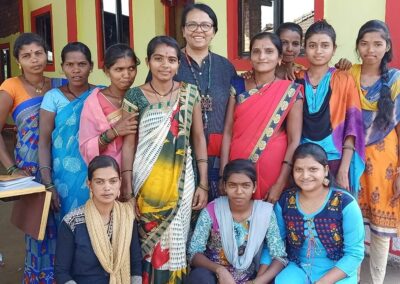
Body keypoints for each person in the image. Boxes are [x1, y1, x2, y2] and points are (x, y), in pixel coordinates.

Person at [121, 36, 208, 283]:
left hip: (182, 179)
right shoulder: (134, 96)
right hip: (146, 180)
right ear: (148, 61)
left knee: (178, 235)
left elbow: (199, 137)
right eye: (158, 59)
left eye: (171, 60)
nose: (165, 65)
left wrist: (203, 183)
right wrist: (127, 184)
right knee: (147, 239)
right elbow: (129, 144)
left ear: (178, 65)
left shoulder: (190, 93)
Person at [0, 32, 65, 283]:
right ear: (18, 61)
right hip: (30, 172)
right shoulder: (11, 86)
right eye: (26, 55)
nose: (34, 60)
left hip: (58, 167)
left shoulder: (59, 84)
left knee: (63, 225)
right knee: (38, 229)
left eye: (39, 53)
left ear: (47, 55)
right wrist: (12, 168)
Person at [220, 32, 303, 203]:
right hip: (237, 165)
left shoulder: (290, 91)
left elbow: (294, 140)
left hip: (274, 168)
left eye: (269, 51)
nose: (262, 56)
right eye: (256, 51)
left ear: (280, 57)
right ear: (250, 57)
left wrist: (281, 182)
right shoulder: (238, 85)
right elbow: (228, 132)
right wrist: (223, 174)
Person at [349, 20, 400, 284]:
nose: (370, 49)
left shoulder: (396, 80)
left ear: (387, 46)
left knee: (381, 230)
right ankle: (353, 278)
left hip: (385, 162)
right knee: (352, 223)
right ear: (357, 47)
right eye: (365, 43)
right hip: (352, 159)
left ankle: (377, 280)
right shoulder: (348, 75)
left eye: (377, 44)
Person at [273, 143, 364, 283]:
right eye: (299, 169)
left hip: (337, 271)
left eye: (313, 169)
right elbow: (275, 244)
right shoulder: (285, 201)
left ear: (326, 170)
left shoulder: (345, 204)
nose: (305, 176)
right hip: (298, 268)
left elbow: (354, 254)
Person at [187, 159, 287, 284]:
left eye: (245, 185)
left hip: (248, 278)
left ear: (254, 187)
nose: (239, 192)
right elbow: (194, 253)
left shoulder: (264, 213)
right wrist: (220, 270)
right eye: (232, 185)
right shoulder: (213, 210)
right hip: (214, 276)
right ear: (224, 186)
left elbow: (279, 256)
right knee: (199, 277)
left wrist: (257, 282)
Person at [295, 20, 365, 196]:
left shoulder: (344, 79)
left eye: (325, 45)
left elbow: (352, 126)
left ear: (334, 49)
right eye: (312, 45)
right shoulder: (294, 78)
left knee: (336, 217)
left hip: (334, 161)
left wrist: (343, 169)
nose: (318, 51)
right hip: (302, 164)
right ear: (305, 48)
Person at [179, 3, 237, 201]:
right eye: (192, 25)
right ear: (183, 31)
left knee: (216, 215)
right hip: (180, 154)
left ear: (214, 31)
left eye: (205, 25)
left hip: (219, 155)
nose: (199, 30)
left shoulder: (226, 66)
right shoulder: (170, 63)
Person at [54, 155, 142, 284]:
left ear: (120, 182)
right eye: (99, 181)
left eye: (113, 181)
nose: (107, 187)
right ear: (89, 184)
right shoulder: (72, 222)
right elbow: (61, 272)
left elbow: (135, 264)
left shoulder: (127, 217)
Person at [38, 42, 95, 222]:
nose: (76, 70)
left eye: (82, 64)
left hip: (95, 172)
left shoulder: (100, 94)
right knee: (69, 227)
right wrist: (48, 182)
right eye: (70, 65)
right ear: (62, 67)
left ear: (91, 66)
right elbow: (44, 142)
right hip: (63, 176)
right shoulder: (53, 97)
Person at [79, 44, 139, 167]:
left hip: (139, 169)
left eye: (131, 68)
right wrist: (114, 132)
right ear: (107, 71)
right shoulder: (94, 103)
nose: (126, 75)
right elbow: (86, 149)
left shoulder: (139, 97)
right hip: (108, 174)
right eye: (119, 69)